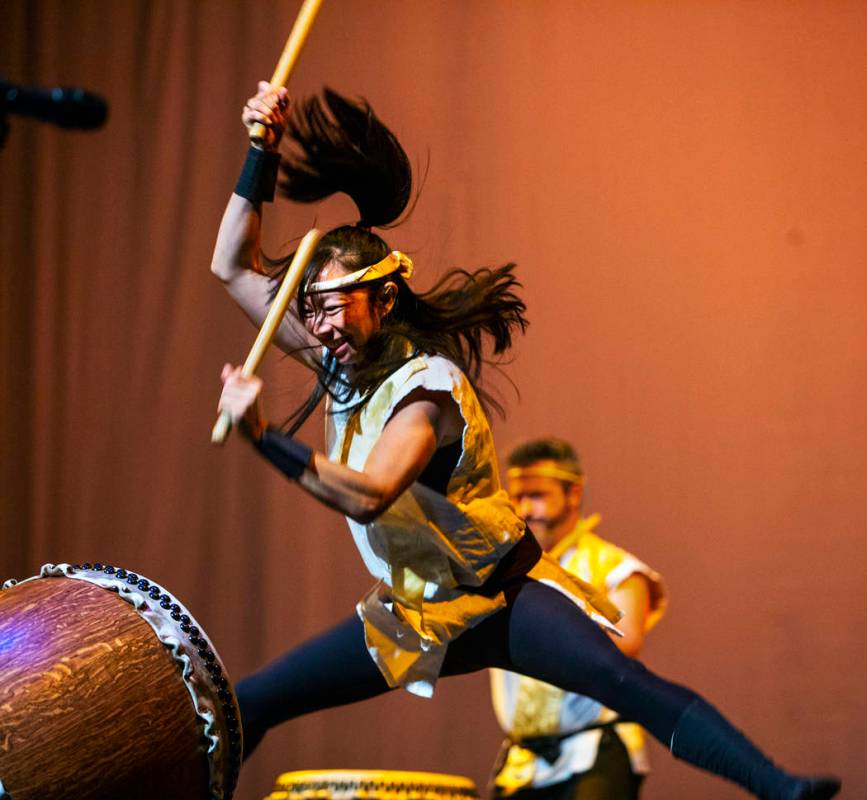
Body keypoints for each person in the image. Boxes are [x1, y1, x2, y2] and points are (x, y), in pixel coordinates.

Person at [210, 81, 840, 800]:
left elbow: (370, 495)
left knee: (622, 682)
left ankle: (781, 789)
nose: (320, 327)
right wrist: (260, 150)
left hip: (504, 599)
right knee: (250, 701)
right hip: (415, 613)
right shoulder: (336, 354)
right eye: (312, 309)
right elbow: (231, 264)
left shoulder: (425, 389)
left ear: (383, 299)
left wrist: (263, 436)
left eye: (337, 308)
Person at [490, 439, 666, 800]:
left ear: (573, 494)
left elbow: (627, 639)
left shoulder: (615, 568)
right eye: (518, 497)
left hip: (594, 753)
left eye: (536, 496)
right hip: (523, 762)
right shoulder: (505, 572)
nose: (524, 510)